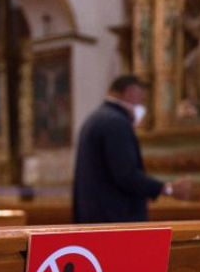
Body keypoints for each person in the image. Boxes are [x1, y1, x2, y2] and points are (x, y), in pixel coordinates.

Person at [73, 75, 191, 224]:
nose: (141, 104)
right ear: (130, 92)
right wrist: (167, 189)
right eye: (141, 99)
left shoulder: (96, 118)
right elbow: (126, 174)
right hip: (114, 218)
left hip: (95, 215)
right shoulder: (115, 122)